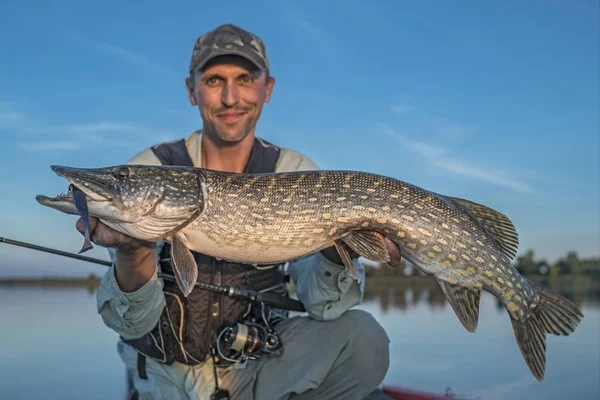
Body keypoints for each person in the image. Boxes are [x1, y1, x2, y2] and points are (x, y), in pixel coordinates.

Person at [77, 24, 401, 400]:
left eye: (245, 78)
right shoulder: (151, 167)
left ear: (268, 88)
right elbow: (128, 322)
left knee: (362, 340)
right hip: (169, 379)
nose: (230, 98)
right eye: (214, 80)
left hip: (261, 365)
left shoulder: (295, 172)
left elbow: (325, 307)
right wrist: (133, 251)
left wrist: (336, 249)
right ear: (191, 90)